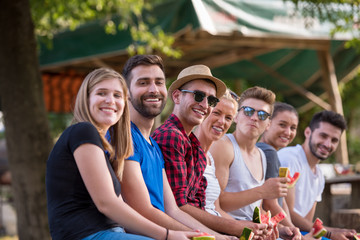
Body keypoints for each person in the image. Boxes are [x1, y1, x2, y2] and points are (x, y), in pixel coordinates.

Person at [46, 68, 199, 240]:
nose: (110, 101)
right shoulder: (83, 130)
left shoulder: (104, 147)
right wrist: (167, 235)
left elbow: (119, 209)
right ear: (86, 98)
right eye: (101, 93)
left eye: (117, 95)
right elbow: (107, 204)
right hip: (88, 235)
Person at [120, 55, 220, 237]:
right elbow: (143, 211)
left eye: (159, 83)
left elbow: (174, 209)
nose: (153, 89)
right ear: (126, 92)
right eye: (143, 83)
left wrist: (215, 236)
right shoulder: (125, 137)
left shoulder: (154, 146)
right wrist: (212, 237)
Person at [152, 65, 246, 238]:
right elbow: (177, 208)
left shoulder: (193, 145)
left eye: (210, 100)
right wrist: (230, 232)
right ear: (177, 96)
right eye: (198, 95)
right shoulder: (171, 136)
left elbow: (199, 205)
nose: (204, 105)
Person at [210, 87, 300, 240]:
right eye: (248, 111)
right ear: (237, 116)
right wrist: (262, 191)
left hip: (254, 233)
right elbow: (217, 204)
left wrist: (283, 228)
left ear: (268, 124)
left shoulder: (262, 156)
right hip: (229, 232)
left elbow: (255, 210)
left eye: (262, 114)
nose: (254, 118)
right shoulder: (224, 146)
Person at [194, 89, 270, 238]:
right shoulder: (219, 147)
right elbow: (179, 208)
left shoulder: (208, 156)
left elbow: (214, 208)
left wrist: (259, 229)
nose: (222, 121)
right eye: (216, 113)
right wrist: (234, 230)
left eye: (228, 117)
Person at [278, 110, 356, 240]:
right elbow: (288, 214)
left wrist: (337, 232)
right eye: (323, 136)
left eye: (334, 140)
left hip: (300, 234)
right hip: (283, 234)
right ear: (308, 132)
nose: (328, 144)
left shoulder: (319, 175)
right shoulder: (290, 159)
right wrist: (331, 233)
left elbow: (307, 223)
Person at [256, 102, 299, 228]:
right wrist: (294, 231)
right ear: (267, 124)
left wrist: (291, 227)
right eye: (282, 125)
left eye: (293, 128)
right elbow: (270, 204)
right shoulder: (269, 153)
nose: (288, 132)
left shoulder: (261, 149)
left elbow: (281, 201)